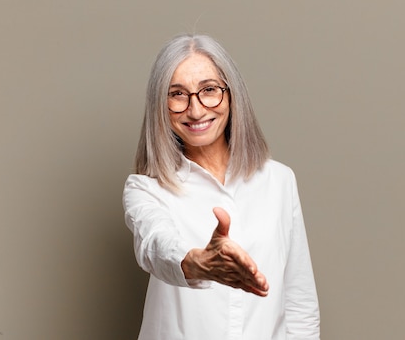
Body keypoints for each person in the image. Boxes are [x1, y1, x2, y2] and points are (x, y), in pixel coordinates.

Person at [123, 34, 320, 340]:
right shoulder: (145, 189)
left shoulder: (279, 181)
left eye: (209, 90)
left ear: (231, 94)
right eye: (177, 94)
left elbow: (299, 303)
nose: (196, 110)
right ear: (160, 105)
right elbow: (154, 245)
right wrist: (196, 263)